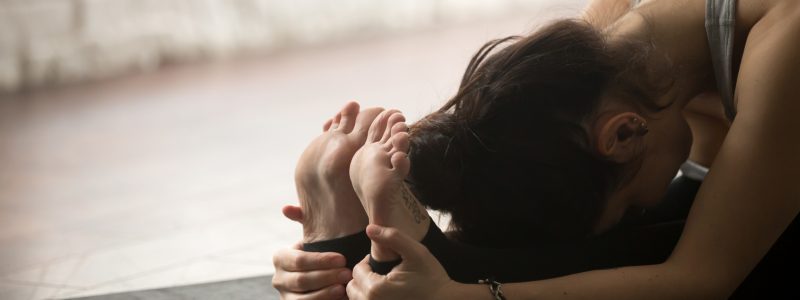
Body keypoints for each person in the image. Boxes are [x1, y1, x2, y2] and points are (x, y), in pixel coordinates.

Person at [275, 0, 800, 298]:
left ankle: (415, 255)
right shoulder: (592, 63)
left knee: (670, 246)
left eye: (629, 205)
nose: (635, 207)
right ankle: (393, 252)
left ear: (624, 134)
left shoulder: (785, 37)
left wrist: (462, 295)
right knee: (615, 241)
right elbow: (511, 167)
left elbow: (705, 277)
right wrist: (342, 266)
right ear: (622, 133)